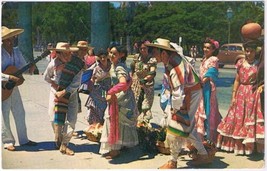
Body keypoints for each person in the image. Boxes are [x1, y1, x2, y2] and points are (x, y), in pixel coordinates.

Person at [146, 38, 211, 168]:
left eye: (154, 52)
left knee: (177, 125)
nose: (153, 55)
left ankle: (173, 161)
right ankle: (203, 155)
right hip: (188, 93)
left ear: (163, 53)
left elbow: (178, 91)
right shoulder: (170, 60)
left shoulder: (175, 65)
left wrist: (175, 109)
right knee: (187, 125)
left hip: (190, 94)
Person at [216, 40, 264, 155]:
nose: (248, 53)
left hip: (252, 93)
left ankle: (250, 147)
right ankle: (234, 145)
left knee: (249, 118)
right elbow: (237, 80)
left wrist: (262, 85)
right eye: (246, 51)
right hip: (241, 92)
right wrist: (233, 95)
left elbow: (262, 78)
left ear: (255, 51)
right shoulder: (241, 63)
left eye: (251, 51)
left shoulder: (259, 64)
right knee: (236, 117)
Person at [43, 42, 84, 156]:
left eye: (69, 53)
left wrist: (64, 91)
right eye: (64, 54)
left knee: (71, 119)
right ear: (58, 54)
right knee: (53, 117)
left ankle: (65, 144)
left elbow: (76, 83)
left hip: (71, 93)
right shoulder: (53, 64)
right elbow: (46, 77)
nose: (68, 56)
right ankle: (58, 136)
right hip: (56, 92)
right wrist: (56, 87)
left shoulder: (77, 64)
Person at [99, 45, 139, 159]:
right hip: (120, 97)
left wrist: (111, 92)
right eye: (110, 53)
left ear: (121, 55)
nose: (111, 55)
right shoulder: (116, 65)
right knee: (115, 121)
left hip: (121, 98)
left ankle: (115, 149)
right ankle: (117, 147)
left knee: (112, 120)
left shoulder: (119, 68)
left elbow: (122, 83)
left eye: (114, 54)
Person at [1, 26, 37, 151]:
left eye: (12, 39)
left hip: (13, 87)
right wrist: (8, 76)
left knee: (20, 113)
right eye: (8, 40)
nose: (11, 42)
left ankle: (24, 139)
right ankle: (8, 141)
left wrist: (30, 68)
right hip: (2, 87)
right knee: (4, 115)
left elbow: (22, 67)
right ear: (3, 41)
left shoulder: (16, 52)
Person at [194, 38, 222, 143]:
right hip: (202, 86)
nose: (205, 49)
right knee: (200, 108)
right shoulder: (204, 59)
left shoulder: (213, 59)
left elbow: (211, 72)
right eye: (204, 47)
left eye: (208, 48)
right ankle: (201, 136)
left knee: (207, 109)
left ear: (213, 50)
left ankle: (209, 137)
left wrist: (202, 81)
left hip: (208, 88)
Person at [83, 48, 111, 142]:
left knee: (105, 109)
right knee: (94, 110)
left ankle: (103, 130)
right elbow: (89, 77)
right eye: (101, 57)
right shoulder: (95, 67)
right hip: (97, 90)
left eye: (104, 57)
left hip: (107, 90)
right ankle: (95, 131)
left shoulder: (111, 66)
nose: (103, 59)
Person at [130, 40, 157, 123]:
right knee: (135, 104)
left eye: (144, 48)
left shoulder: (152, 59)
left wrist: (145, 79)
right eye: (141, 48)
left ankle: (144, 125)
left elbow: (152, 72)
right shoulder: (137, 57)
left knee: (145, 107)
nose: (142, 50)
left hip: (147, 85)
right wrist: (131, 77)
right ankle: (136, 125)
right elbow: (132, 68)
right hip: (136, 84)